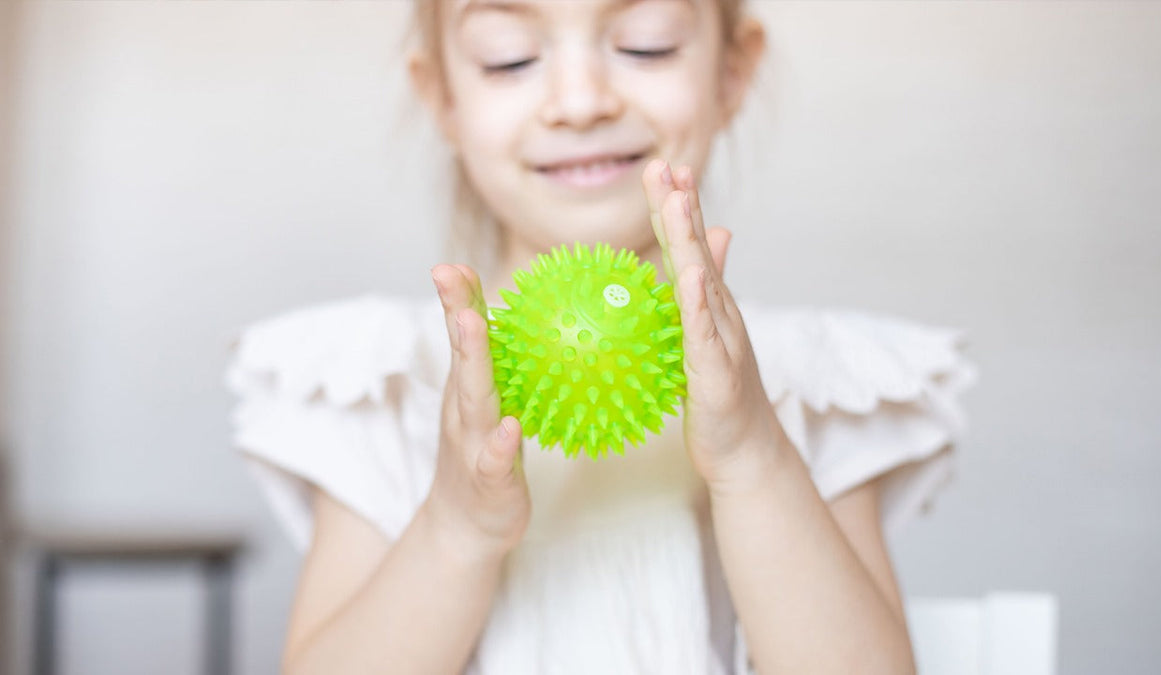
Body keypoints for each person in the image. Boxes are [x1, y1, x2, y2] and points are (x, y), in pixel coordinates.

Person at [223, 0, 978, 673]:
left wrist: (753, 459)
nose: (580, 101)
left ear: (733, 70)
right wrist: (455, 530)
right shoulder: (384, 384)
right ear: (443, 96)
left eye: (645, 44)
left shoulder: (806, 382)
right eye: (509, 57)